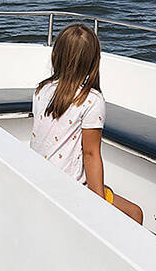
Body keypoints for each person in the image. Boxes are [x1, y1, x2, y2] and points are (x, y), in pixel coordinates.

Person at [30, 23, 143, 223]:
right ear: (93, 61)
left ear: (56, 55)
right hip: (71, 188)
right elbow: (91, 154)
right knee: (135, 213)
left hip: (40, 179)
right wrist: (98, 202)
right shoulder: (91, 100)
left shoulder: (41, 90)